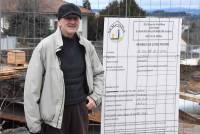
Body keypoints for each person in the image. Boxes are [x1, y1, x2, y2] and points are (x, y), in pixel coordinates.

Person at [24, 3, 104, 134]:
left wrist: (95, 97)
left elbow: (99, 73)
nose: (72, 22)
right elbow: (31, 90)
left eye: (76, 18)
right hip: (54, 118)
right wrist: (34, 126)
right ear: (59, 21)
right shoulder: (44, 48)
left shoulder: (86, 46)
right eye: (68, 18)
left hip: (80, 110)